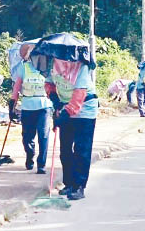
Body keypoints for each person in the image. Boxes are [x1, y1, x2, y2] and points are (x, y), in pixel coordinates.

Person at [46, 58, 98, 200]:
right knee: (65, 151)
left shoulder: (81, 67)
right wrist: (55, 100)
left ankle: (79, 186)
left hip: (85, 110)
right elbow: (49, 84)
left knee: (81, 150)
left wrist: (63, 116)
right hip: (65, 108)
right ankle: (68, 183)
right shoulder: (53, 65)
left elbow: (79, 95)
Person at [9, 44, 52, 174]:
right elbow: (17, 88)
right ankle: (30, 154)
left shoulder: (47, 69)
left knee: (43, 135)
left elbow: (52, 86)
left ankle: (41, 164)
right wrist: (12, 105)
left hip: (44, 106)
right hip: (27, 106)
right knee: (27, 136)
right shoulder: (24, 68)